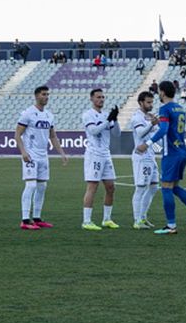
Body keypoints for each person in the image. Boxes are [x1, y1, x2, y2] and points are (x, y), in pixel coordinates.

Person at [147, 79, 186, 234]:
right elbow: (171, 128)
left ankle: (171, 225)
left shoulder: (165, 108)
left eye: (158, 91)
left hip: (171, 153)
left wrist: (147, 143)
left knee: (166, 188)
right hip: (182, 151)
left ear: (162, 92)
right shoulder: (179, 108)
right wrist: (158, 123)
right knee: (174, 186)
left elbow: (164, 131)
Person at [16, 84, 70, 230]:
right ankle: (25, 220)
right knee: (31, 185)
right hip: (31, 155)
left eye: (47, 94)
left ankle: (37, 218)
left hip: (43, 155)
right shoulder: (27, 113)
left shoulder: (49, 115)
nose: (46, 97)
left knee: (42, 186)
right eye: (43, 94)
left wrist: (62, 153)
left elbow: (53, 136)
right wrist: (23, 152)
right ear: (36, 96)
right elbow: (17, 134)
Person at [80, 88, 121, 230]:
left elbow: (117, 134)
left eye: (103, 97)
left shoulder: (105, 115)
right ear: (91, 99)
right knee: (92, 187)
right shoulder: (88, 115)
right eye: (98, 97)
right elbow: (93, 131)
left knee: (111, 187)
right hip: (94, 154)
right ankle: (86, 221)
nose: (101, 99)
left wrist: (115, 119)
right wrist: (108, 120)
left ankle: (107, 219)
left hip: (106, 154)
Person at [127, 91, 160, 228]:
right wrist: (152, 124)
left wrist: (154, 123)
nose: (151, 105)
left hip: (150, 155)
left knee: (153, 187)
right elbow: (140, 133)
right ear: (141, 102)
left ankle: (143, 217)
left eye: (152, 102)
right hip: (141, 156)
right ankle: (137, 220)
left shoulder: (149, 117)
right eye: (148, 102)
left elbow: (157, 133)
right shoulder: (137, 118)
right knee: (140, 187)